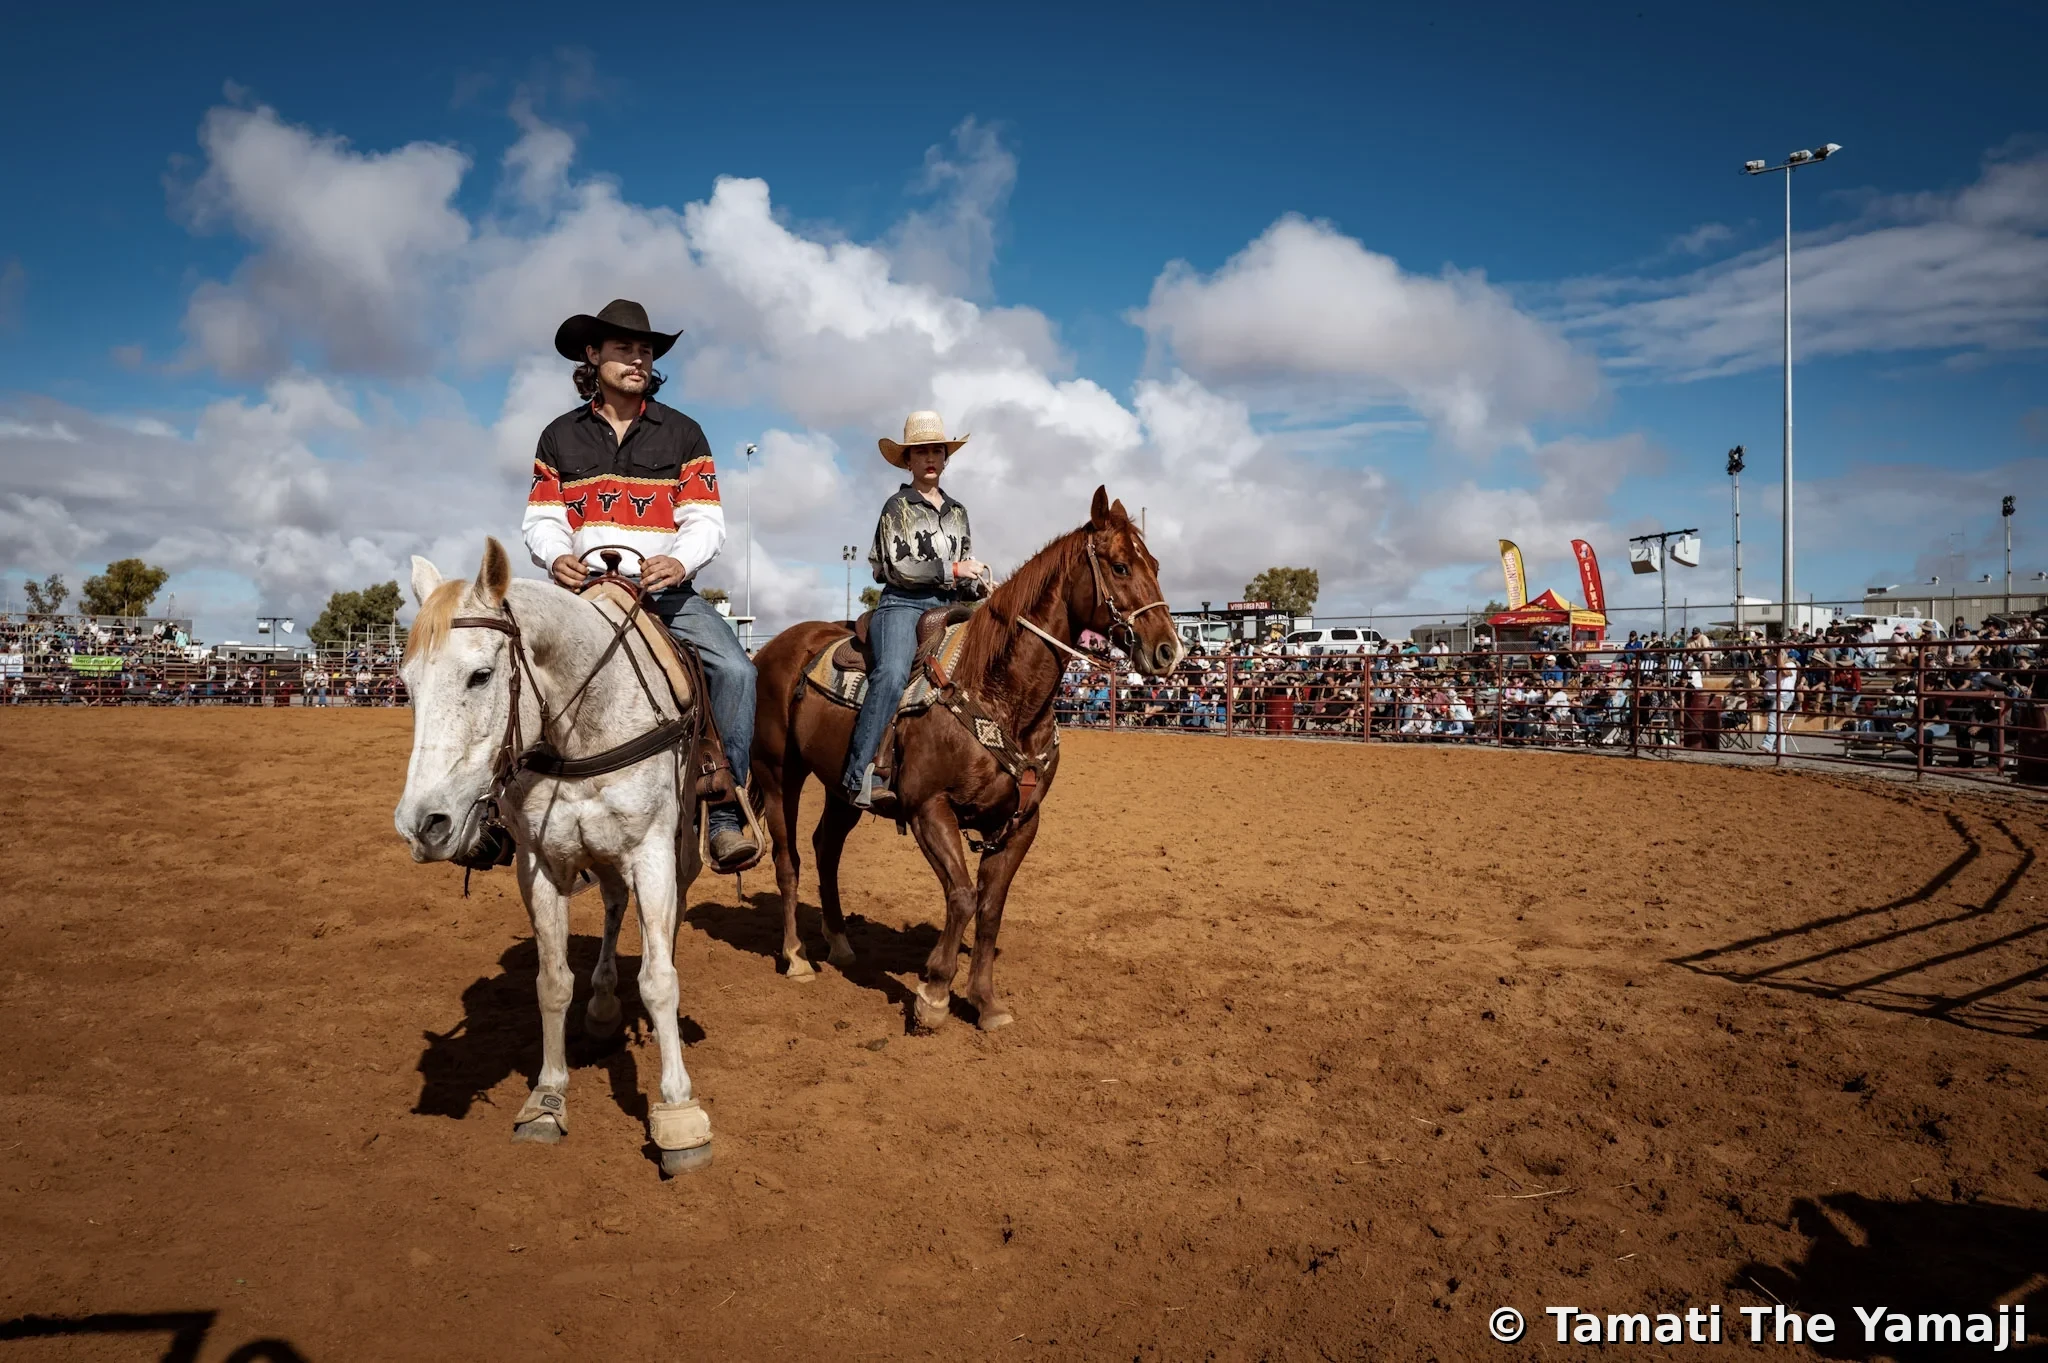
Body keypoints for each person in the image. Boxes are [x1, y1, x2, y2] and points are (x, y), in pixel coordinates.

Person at [521, 299, 759, 869]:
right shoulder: (559, 436)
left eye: (645, 350)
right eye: (624, 348)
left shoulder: (683, 432)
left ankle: (725, 806)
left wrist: (680, 562)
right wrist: (555, 557)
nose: (638, 359)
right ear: (592, 355)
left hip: (664, 595)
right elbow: (543, 519)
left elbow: (705, 519)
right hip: (581, 597)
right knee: (514, 666)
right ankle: (502, 808)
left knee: (737, 671)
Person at [842, 412, 990, 808]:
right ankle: (860, 773)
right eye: (920, 451)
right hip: (902, 603)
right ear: (907, 460)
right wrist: (954, 569)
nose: (930, 457)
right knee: (890, 675)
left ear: (945, 458)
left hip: (951, 605)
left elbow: (963, 565)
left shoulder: (958, 511)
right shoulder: (897, 507)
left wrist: (974, 582)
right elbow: (897, 566)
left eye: (936, 450)